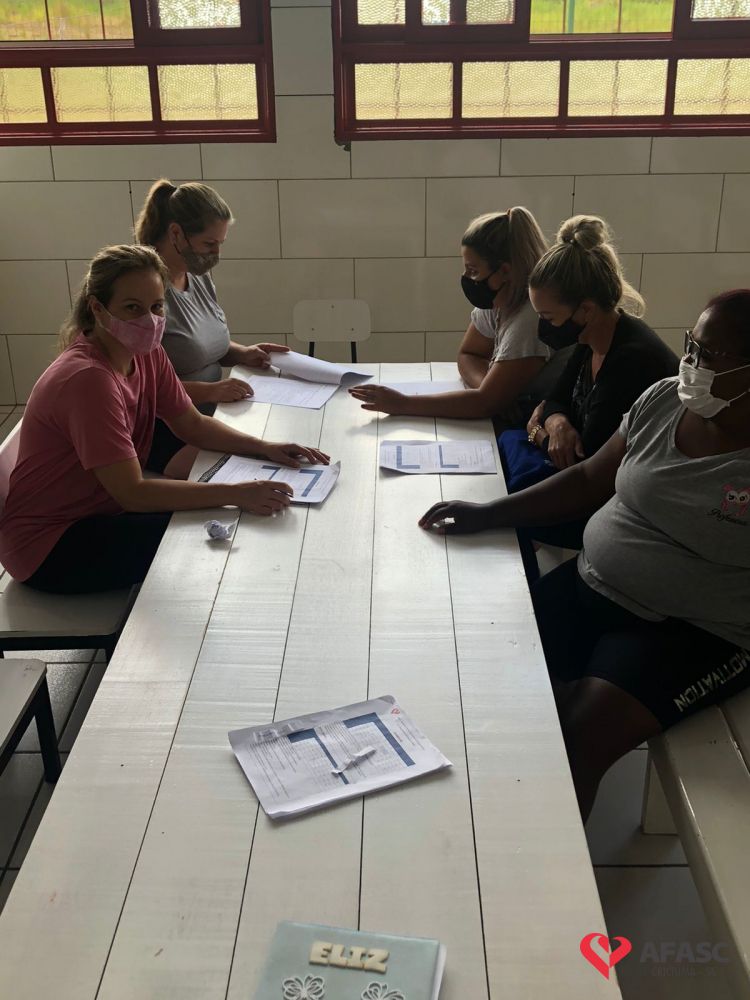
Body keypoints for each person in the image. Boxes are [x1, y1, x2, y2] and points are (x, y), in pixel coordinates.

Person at [419, 290, 750, 821]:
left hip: (694, 631)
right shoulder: (665, 400)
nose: (691, 363)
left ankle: (547, 866)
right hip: (592, 582)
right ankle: (478, 819)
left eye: (709, 355)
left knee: (579, 738)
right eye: (691, 345)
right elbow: (589, 479)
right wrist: (489, 513)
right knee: (478, 666)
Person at [0, 245, 328, 595]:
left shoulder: (146, 353)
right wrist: (238, 493)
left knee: (212, 526)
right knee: (206, 541)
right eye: (132, 308)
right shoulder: (88, 380)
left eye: (157, 307)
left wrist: (264, 448)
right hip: (51, 544)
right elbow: (133, 493)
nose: (149, 320)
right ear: (97, 308)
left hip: (100, 511)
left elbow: (192, 425)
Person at [498, 215, 678, 578]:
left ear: (586, 310)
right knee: (505, 486)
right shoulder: (591, 337)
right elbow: (553, 401)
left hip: (618, 506)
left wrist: (539, 430)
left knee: (507, 512)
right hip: (588, 485)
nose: (544, 327)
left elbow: (584, 463)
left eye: (549, 317)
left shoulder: (631, 360)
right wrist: (556, 422)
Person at [134, 179, 289, 478]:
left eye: (220, 243)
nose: (216, 252)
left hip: (206, 416)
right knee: (254, 471)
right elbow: (138, 387)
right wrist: (210, 391)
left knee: (273, 451)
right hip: (163, 428)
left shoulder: (197, 276)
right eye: (208, 244)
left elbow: (201, 345)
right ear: (176, 234)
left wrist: (243, 353)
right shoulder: (146, 291)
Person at [349, 207, 552, 422]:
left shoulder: (529, 319)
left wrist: (402, 403)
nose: (467, 278)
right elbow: (469, 354)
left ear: (504, 272)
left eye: (473, 271)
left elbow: (483, 404)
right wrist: (494, 392)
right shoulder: (498, 302)